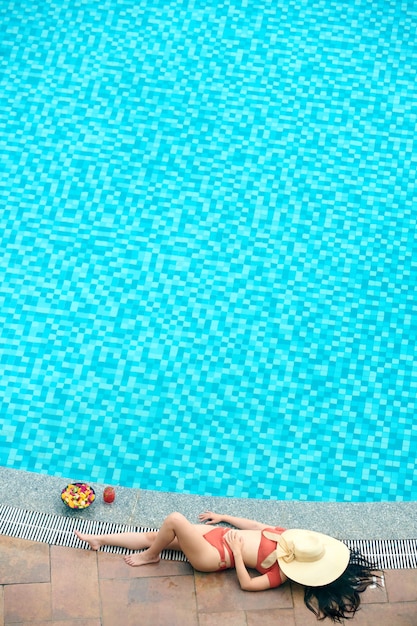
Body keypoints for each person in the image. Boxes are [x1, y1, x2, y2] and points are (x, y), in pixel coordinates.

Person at [75, 510, 382, 622]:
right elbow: (254, 525)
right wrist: (223, 517)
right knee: (156, 534)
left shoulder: (280, 573)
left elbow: (248, 585)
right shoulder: (287, 538)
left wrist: (236, 552)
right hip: (218, 535)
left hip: (214, 556)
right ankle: (100, 539)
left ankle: (150, 556)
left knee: (174, 521)